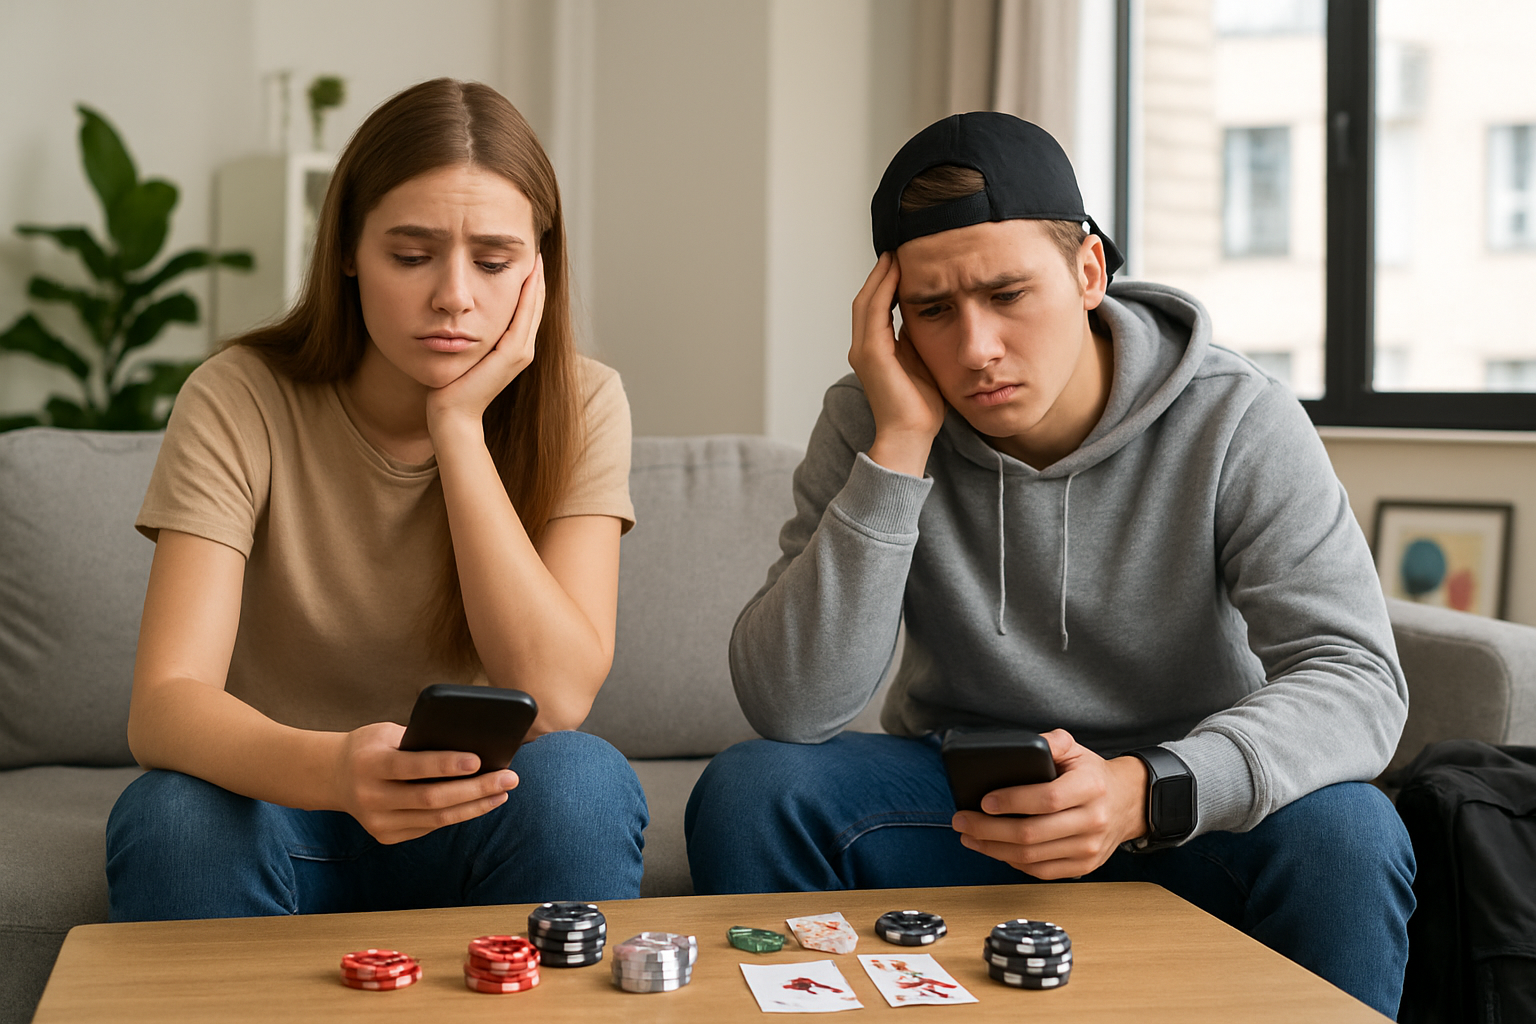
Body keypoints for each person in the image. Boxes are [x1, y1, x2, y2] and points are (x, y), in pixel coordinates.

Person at [685, 112, 1415, 1017]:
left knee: (1351, 832)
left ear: (1088, 272)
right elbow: (792, 705)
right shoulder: (876, 416)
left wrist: (1147, 789)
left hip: (1180, 807)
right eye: (934, 310)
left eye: (1007, 294)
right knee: (755, 791)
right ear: (892, 317)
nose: (976, 349)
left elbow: (1357, 679)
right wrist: (901, 444)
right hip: (968, 808)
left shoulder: (1239, 418)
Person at [106, 79, 646, 921]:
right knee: (171, 815)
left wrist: (458, 428)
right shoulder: (238, 395)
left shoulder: (583, 402)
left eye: (495, 261)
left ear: (538, 271)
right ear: (348, 251)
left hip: (476, 811)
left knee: (582, 778)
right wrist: (331, 772)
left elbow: (558, 694)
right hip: (283, 806)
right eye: (411, 254)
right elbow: (165, 704)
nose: (455, 296)